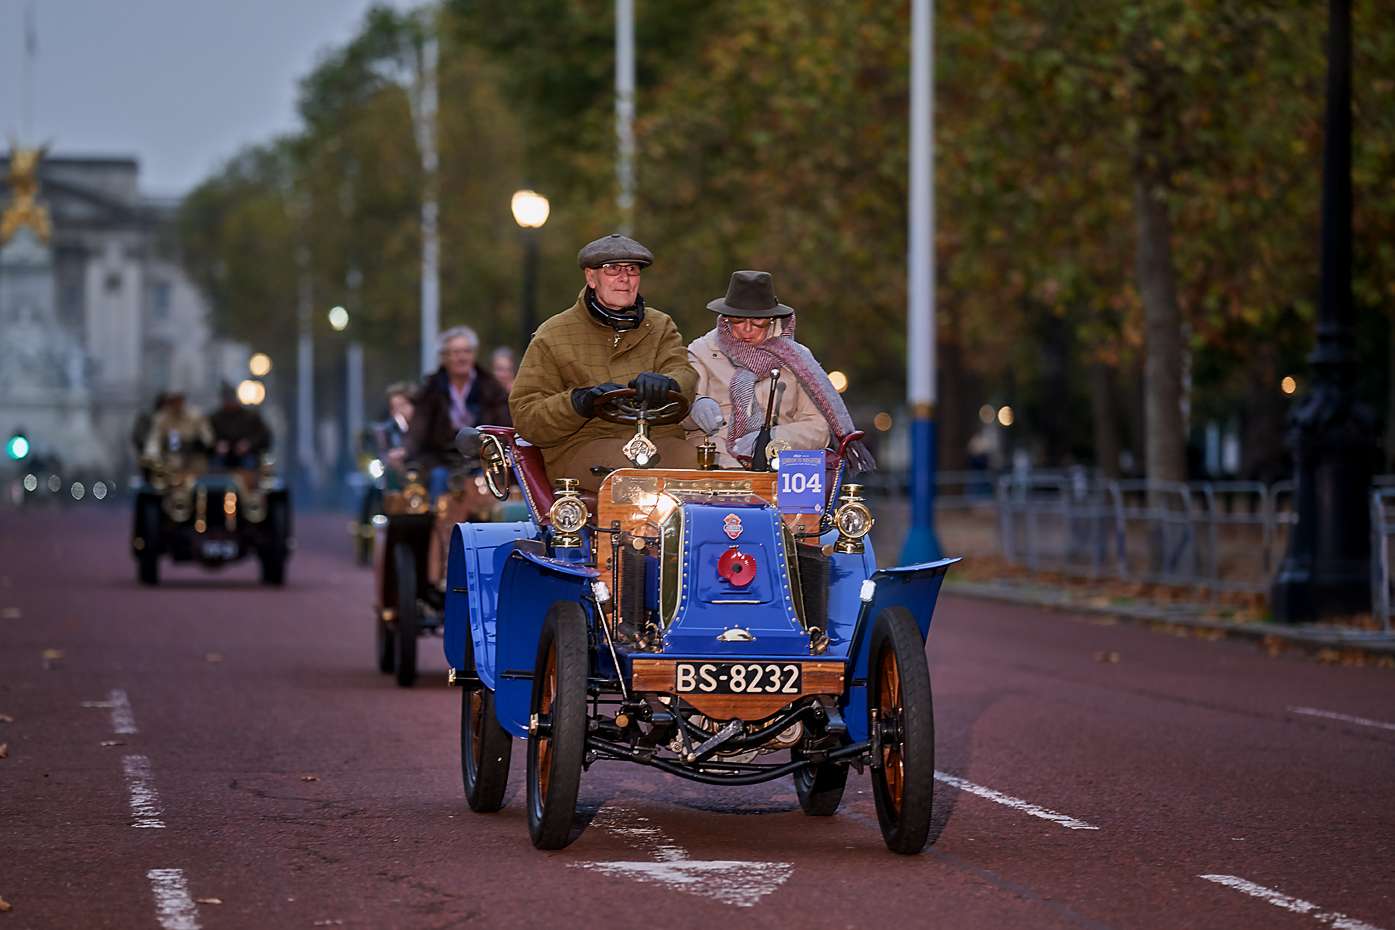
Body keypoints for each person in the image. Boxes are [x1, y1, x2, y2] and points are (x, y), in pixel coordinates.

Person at [509, 233, 698, 491]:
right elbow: (527, 416)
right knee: (633, 477)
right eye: (612, 270)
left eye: (632, 270)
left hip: (657, 439)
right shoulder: (553, 334)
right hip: (583, 444)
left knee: (704, 474)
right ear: (591, 277)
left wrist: (669, 384)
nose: (624, 278)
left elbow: (684, 373)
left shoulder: (660, 325)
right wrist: (579, 402)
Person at [686, 270, 875, 471]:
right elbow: (676, 418)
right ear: (725, 318)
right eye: (737, 321)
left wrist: (772, 440)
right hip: (712, 468)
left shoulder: (799, 359)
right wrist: (694, 407)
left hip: (778, 470)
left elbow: (819, 428)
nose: (747, 329)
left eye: (757, 321)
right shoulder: (701, 351)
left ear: (772, 319)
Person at [406, 325, 511, 497]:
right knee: (438, 481)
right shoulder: (431, 390)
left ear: (474, 355)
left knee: (487, 487)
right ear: (444, 357)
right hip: (442, 462)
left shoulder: (491, 388)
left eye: (467, 351)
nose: (462, 357)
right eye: (455, 352)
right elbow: (418, 432)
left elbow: (504, 427)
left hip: (483, 462)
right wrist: (409, 455)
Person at [209, 384, 272, 470]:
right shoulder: (215, 418)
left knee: (249, 463)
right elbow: (207, 437)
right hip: (222, 456)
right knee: (215, 465)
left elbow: (264, 436)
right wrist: (216, 445)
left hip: (247, 455)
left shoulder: (251, 417)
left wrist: (248, 444)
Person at [143, 392, 214, 463]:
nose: (176, 404)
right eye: (173, 401)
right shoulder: (161, 418)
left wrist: (207, 444)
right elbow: (154, 439)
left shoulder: (195, 415)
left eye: (178, 400)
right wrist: (152, 456)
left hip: (194, 454)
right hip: (173, 455)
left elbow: (206, 434)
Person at [375, 382, 415, 474]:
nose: (399, 411)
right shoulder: (388, 430)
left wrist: (406, 452)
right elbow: (381, 456)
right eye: (394, 408)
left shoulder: (424, 426)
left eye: (403, 405)